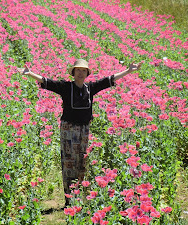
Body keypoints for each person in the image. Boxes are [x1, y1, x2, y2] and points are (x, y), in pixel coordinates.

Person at [17, 59, 142, 206]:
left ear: (87, 73)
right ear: (73, 73)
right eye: (78, 70)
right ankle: (69, 198)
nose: (81, 73)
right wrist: (29, 73)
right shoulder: (65, 87)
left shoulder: (91, 88)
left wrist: (128, 71)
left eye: (84, 70)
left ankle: (79, 196)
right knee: (69, 161)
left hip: (84, 129)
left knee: (82, 161)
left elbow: (109, 80)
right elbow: (48, 82)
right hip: (68, 129)